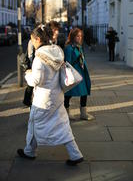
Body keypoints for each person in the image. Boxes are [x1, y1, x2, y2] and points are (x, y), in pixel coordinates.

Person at [17, 24, 83, 166]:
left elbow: (35, 81)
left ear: (38, 39)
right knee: (63, 126)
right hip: (57, 96)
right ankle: (75, 154)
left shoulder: (39, 58)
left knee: (34, 123)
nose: (32, 43)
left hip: (43, 99)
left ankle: (29, 152)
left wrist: (27, 71)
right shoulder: (56, 51)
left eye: (32, 40)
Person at [23, 21, 62, 107]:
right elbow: (30, 56)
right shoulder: (54, 50)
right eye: (54, 30)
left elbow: (35, 81)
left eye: (57, 30)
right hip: (54, 94)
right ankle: (28, 101)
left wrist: (28, 74)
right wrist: (29, 70)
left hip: (45, 96)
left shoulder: (52, 48)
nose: (57, 32)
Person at [64, 28, 94, 121]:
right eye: (77, 36)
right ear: (73, 36)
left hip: (81, 72)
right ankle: (66, 114)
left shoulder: (79, 46)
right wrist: (69, 76)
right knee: (68, 94)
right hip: (73, 74)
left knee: (84, 92)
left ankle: (83, 113)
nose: (80, 38)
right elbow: (67, 63)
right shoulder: (69, 48)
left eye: (81, 36)